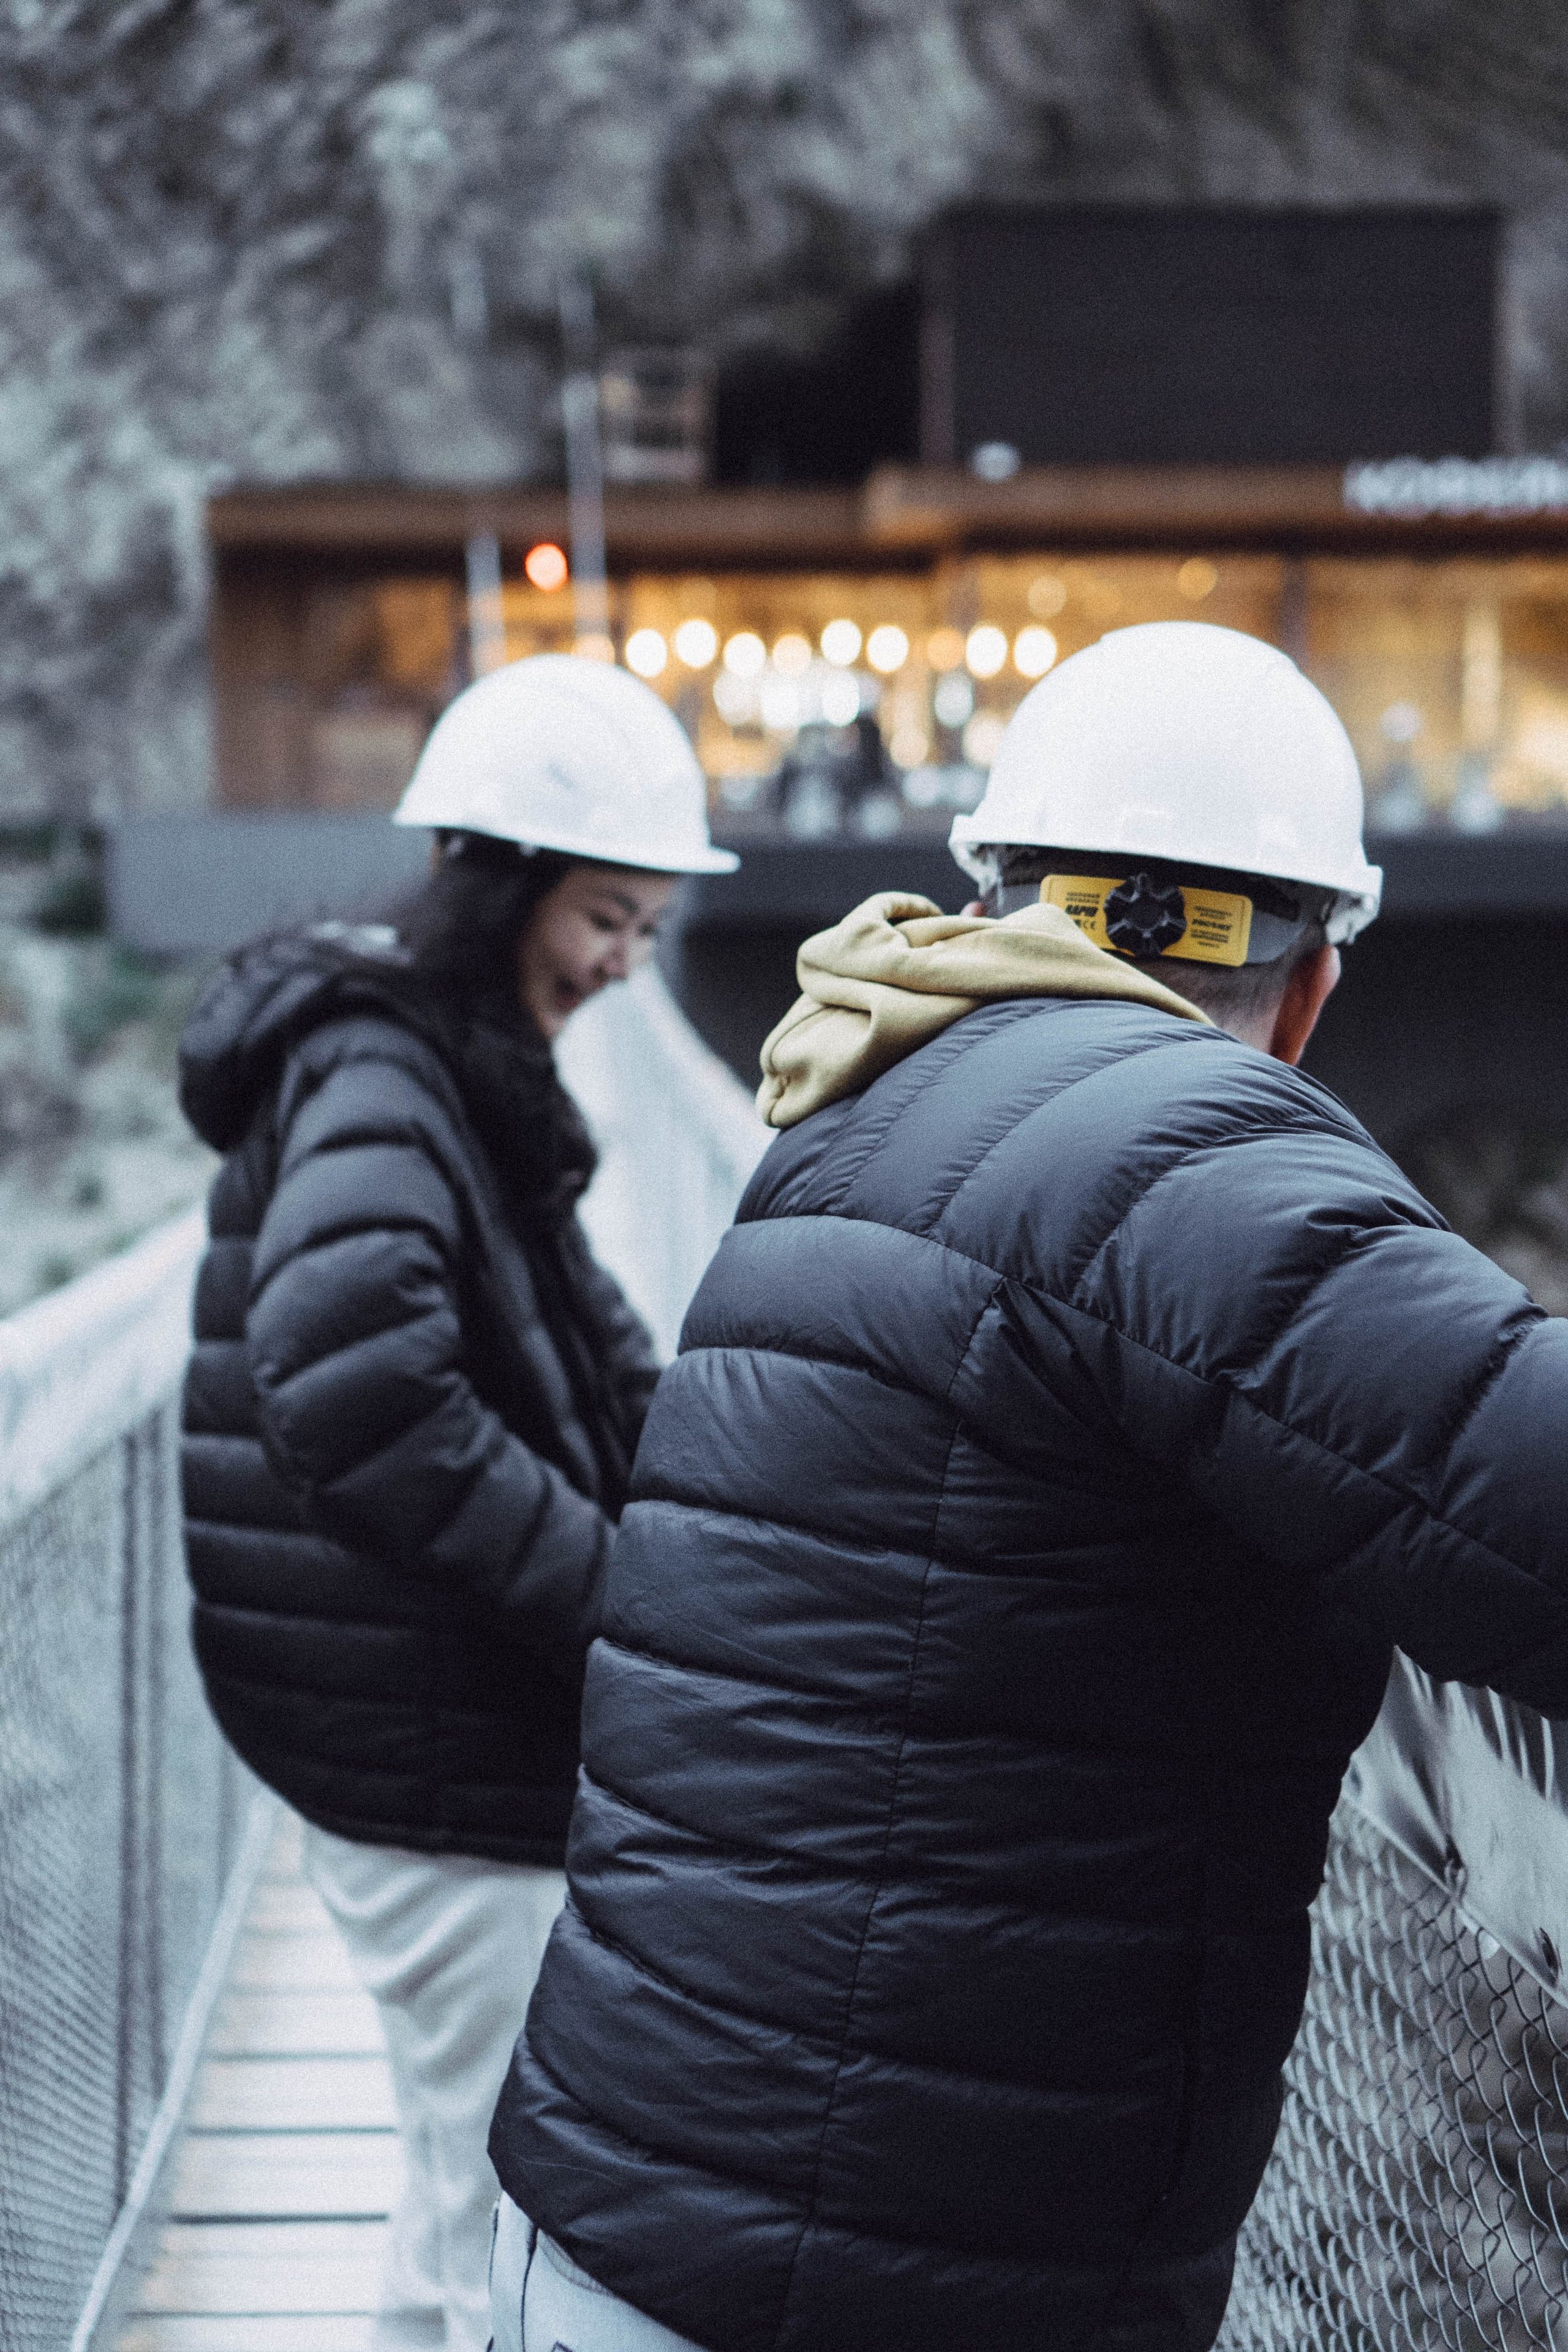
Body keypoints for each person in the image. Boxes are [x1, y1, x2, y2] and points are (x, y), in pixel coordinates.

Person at [487, 621, 1568, 2352]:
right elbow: (1520, 1483)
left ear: (994, 901)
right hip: (867, 2277)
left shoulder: (861, 1116)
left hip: (635, 2213)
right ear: (1312, 988)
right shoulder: (1188, 1154)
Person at [178, 654, 736, 2352]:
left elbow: (578, 1328)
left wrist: (712, 1508)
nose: (626, 968)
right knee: (497, 2197)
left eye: (649, 932)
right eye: (607, 921)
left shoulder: (444, 1057)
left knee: (464, 2181)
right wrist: (621, 1591)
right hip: (413, 1731)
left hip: (403, 1706)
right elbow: (358, 1387)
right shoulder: (382, 1069)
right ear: (502, 880)